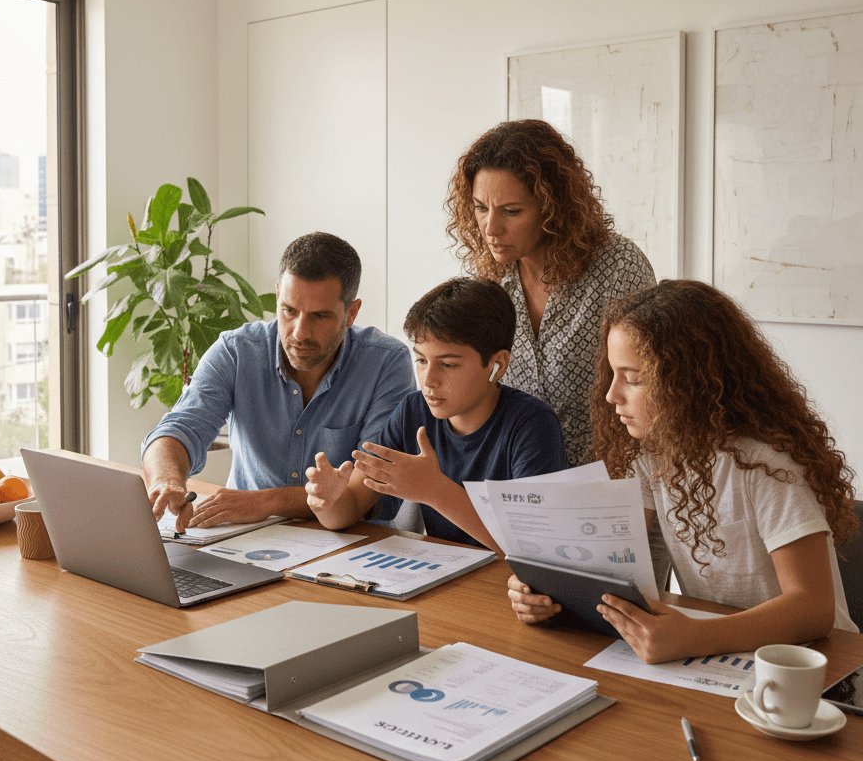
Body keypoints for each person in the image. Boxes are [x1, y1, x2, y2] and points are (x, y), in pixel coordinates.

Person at [508, 279, 859, 662]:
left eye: (634, 379)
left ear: (690, 382)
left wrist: (696, 636)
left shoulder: (768, 464)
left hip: (818, 660)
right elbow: (604, 565)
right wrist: (546, 593)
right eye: (611, 374)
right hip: (727, 652)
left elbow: (813, 609)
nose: (611, 395)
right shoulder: (649, 455)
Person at [142, 232, 415, 532]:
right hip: (244, 538)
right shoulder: (237, 351)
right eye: (289, 310)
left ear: (351, 312)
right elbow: (178, 429)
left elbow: (364, 489)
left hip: (349, 545)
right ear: (277, 296)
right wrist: (166, 479)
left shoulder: (385, 364)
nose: (299, 332)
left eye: (320, 316)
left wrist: (266, 502)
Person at [445, 119, 655, 467]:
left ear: (552, 206)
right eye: (481, 208)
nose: (490, 228)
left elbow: (652, 393)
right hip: (521, 481)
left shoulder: (619, 268)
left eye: (511, 211)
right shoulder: (489, 280)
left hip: (611, 480)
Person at [304, 277, 567, 549]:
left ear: (497, 365)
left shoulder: (533, 425)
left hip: (510, 586)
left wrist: (434, 490)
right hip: (448, 577)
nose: (428, 380)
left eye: (448, 364)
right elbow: (353, 503)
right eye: (421, 360)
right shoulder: (413, 412)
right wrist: (328, 503)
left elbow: (535, 549)